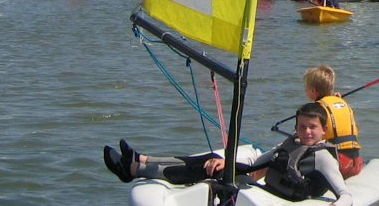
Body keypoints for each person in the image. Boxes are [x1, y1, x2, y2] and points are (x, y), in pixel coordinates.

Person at [102, 104, 353, 205]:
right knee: (211, 159)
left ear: (323, 130)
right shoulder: (292, 143)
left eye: (313, 128)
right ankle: (141, 160)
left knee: (210, 171)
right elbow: (258, 161)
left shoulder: (322, 156)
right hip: (266, 191)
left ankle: (135, 170)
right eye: (302, 126)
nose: (307, 132)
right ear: (296, 126)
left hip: (277, 200)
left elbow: (345, 195)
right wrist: (226, 161)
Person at [304, 65, 364, 178]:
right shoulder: (343, 103)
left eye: (305, 88)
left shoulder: (316, 110)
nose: (305, 91)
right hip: (356, 163)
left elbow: (308, 139)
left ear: (313, 91)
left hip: (339, 165)